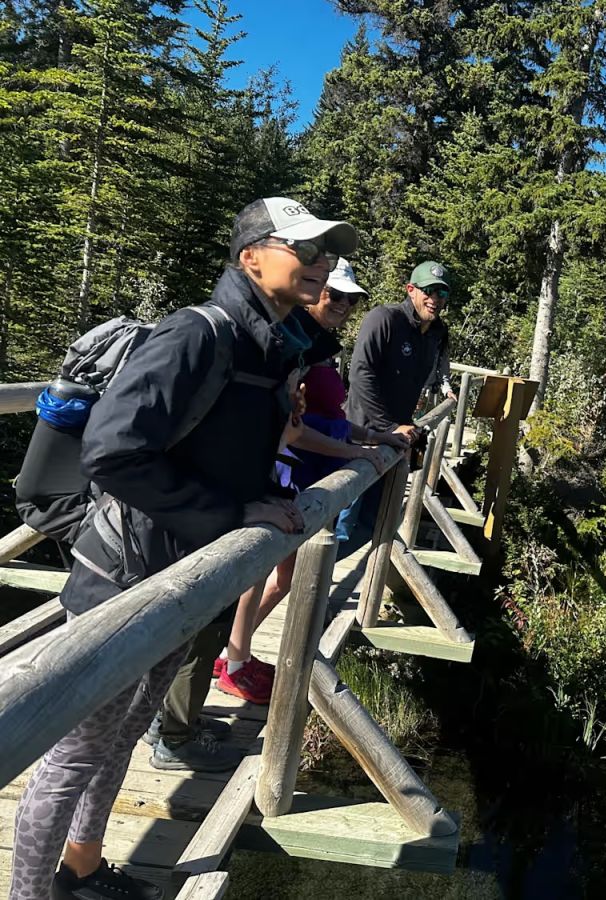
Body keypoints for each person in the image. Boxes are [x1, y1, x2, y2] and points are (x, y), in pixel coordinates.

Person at [8, 197, 356, 900]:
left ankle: (80, 868)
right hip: (123, 577)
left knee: (129, 728)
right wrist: (233, 511)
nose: (321, 267)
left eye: (325, 254)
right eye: (306, 252)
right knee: (76, 754)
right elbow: (112, 453)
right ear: (251, 257)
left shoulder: (271, 344)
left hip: (185, 576)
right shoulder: (198, 334)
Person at [212, 259, 408, 705]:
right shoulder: (292, 345)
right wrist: (356, 453)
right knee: (262, 570)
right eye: (333, 294)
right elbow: (295, 429)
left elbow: (329, 418)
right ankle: (234, 661)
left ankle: (232, 653)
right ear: (311, 291)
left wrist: (375, 436)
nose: (341, 304)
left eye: (350, 298)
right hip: (286, 473)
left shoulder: (315, 347)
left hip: (303, 478)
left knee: (286, 574)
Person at [344, 260, 453, 535]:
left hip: (393, 441)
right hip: (360, 437)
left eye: (441, 293)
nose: (435, 299)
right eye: (428, 291)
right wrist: (388, 426)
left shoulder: (437, 333)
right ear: (411, 289)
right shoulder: (385, 318)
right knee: (339, 524)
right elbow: (359, 374)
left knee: (374, 525)